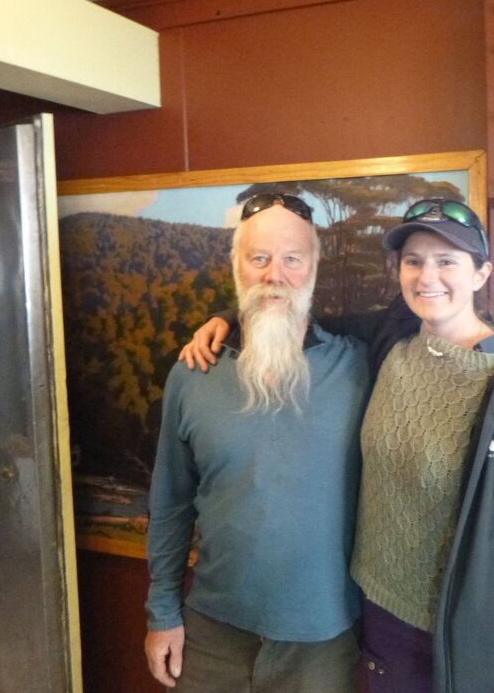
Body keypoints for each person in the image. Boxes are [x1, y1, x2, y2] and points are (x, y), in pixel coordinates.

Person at [183, 198, 494, 693]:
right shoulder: (387, 340)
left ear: (481, 274)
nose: (427, 276)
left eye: (447, 261)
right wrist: (228, 315)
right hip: (375, 620)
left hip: (462, 635)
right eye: (413, 261)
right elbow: (288, 308)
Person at [144, 193, 369, 692]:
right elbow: (171, 504)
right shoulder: (192, 373)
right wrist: (162, 611)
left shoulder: (360, 367)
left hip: (324, 644)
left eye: (293, 259)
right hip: (211, 632)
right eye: (259, 258)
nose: (275, 275)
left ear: (313, 268)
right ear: (236, 265)